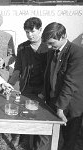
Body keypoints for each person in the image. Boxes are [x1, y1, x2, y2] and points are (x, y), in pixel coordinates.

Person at [38, 22, 83, 150]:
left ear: (63, 36)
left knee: (70, 140)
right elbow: (49, 75)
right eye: (47, 43)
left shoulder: (77, 53)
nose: (48, 46)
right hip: (54, 101)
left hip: (70, 106)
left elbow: (70, 83)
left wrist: (60, 108)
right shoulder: (52, 51)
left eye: (51, 43)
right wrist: (43, 93)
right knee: (53, 138)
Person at [8, 17, 48, 149]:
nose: (30, 35)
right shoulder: (22, 47)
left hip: (43, 89)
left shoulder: (48, 47)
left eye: (32, 31)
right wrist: (10, 84)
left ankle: (38, 143)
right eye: (27, 32)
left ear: (40, 29)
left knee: (40, 116)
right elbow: (18, 68)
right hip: (26, 88)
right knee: (24, 113)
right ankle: (21, 137)